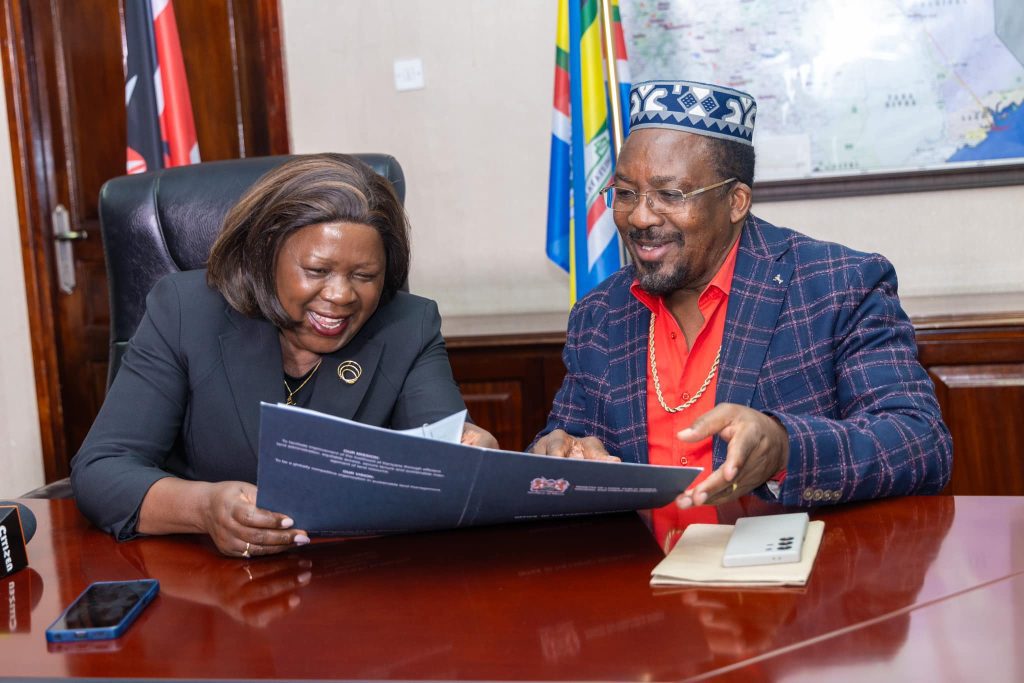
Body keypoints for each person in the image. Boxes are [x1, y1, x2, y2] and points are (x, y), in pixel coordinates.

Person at [531, 79, 952, 509]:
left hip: (789, 569)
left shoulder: (839, 286)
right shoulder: (599, 315)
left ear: (736, 201)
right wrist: (557, 450)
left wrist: (785, 448)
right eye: (625, 193)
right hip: (639, 571)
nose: (639, 217)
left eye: (669, 194)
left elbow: (919, 443)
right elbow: (566, 438)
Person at [72, 153, 497, 556]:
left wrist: (471, 456)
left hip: (355, 582)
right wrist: (204, 508)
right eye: (316, 271)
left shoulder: (409, 325)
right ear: (266, 254)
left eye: (364, 276)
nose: (340, 295)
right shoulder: (186, 310)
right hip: (206, 589)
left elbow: (448, 452)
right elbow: (102, 469)